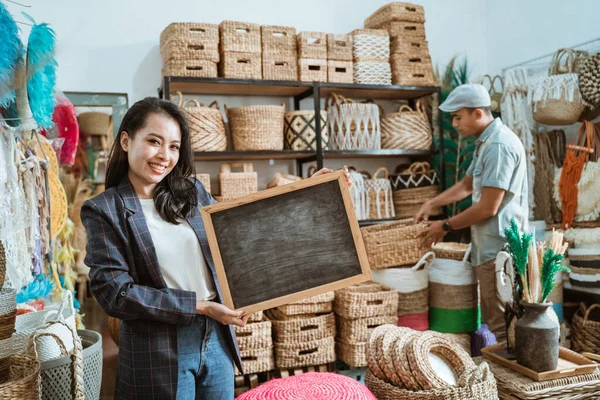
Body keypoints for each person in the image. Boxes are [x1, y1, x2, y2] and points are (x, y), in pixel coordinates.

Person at [80, 97, 350, 400]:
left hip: (216, 339)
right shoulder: (104, 210)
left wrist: (305, 193)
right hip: (158, 349)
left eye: (173, 146)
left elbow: (236, 235)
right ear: (127, 140)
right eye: (154, 141)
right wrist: (201, 306)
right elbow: (115, 294)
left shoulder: (191, 192)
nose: (164, 156)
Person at [414, 83, 528, 341]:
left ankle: (511, 380)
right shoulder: (485, 143)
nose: (454, 124)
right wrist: (431, 205)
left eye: (457, 116)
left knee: (503, 326)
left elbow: (489, 207)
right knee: (497, 322)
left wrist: (444, 226)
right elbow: (466, 186)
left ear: (478, 113)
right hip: (488, 250)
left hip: (500, 253)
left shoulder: (498, 146)